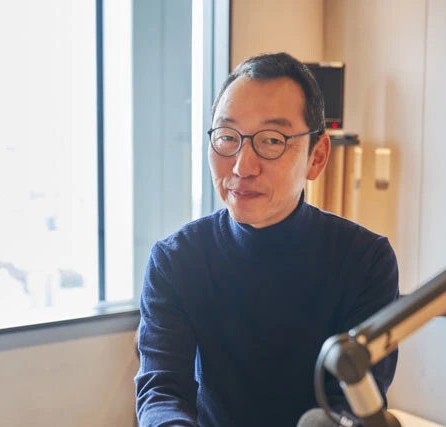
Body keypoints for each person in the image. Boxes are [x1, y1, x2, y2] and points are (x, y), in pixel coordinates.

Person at [135, 52, 399, 427]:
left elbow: (352, 404)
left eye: (272, 140)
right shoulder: (176, 261)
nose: (242, 166)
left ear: (317, 157)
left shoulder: (365, 261)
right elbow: (162, 391)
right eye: (227, 137)